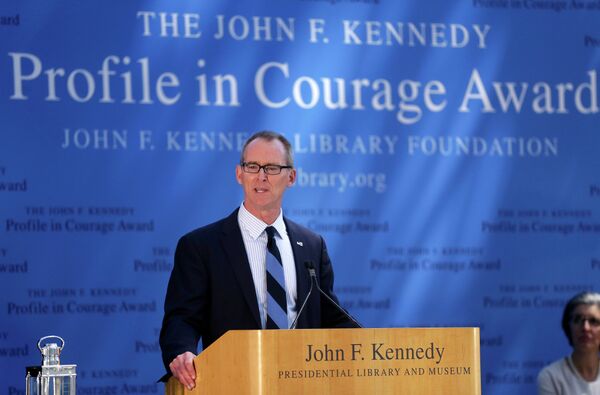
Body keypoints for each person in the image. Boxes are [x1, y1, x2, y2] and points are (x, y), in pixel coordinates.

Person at [159, 130, 357, 389]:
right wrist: (181, 352)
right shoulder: (201, 246)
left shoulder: (312, 245)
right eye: (252, 166)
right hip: (232, 383)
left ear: (292, 177)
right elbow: (181, 319)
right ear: (239, 173)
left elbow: (331, 316)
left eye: (272, 168)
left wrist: (372, 350)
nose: (261, 176)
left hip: (303, 384)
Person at [537, 291, 600, 395]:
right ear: (568, 327)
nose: (585, 328)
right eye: (577, 320)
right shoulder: (551, 376)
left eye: (593, 321)